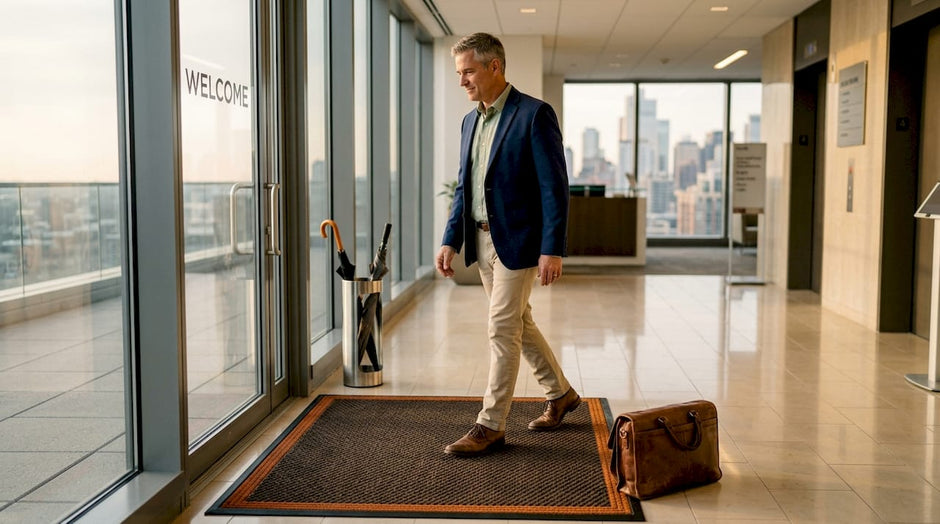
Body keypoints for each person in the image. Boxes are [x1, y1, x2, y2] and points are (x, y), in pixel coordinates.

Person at [435, 32, 580, 457]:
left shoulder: (534, 115)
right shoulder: (470, 122)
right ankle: (561, 394)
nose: (462, 81)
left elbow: (555, 187)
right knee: (520, 322)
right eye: (458, 73)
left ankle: (490, 424)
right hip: (481, 242)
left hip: (518, 242)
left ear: (494, 67)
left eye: (468, 72)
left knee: (501, 327)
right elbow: (465, 186)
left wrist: (552, 248)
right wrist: (450, 239)